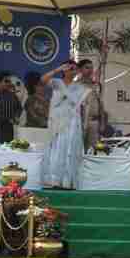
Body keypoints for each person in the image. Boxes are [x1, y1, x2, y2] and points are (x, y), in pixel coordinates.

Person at [41, 60, 89, 189]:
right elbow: (43, 80)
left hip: (73, 121)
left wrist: (83, 124)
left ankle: (68, 182)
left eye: (74, 68)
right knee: (56, 148)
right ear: (64, 69)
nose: (72, 70)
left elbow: (81, 107)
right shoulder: (57, 83)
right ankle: (54, 180)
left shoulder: (79, 86)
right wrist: (57, 69)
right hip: (57, 120)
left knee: (70, 149)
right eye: (69, 68)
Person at [77, 60, 105, 151]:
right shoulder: (75, 85)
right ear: (80, 69)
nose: (90, 70)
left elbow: (101, 105)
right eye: (87, 67)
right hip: (79, 123)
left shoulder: (95, 86)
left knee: (92, 151)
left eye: (91, 68)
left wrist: (102, 123)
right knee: (78, 151)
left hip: (93, 123)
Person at [0, 73, 23, 144]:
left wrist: (16, 117)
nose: (9, 84)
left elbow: (19, 108)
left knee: (7, 148)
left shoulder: (12, 95)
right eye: (6, 81)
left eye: (10, 82)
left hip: (8, 126)